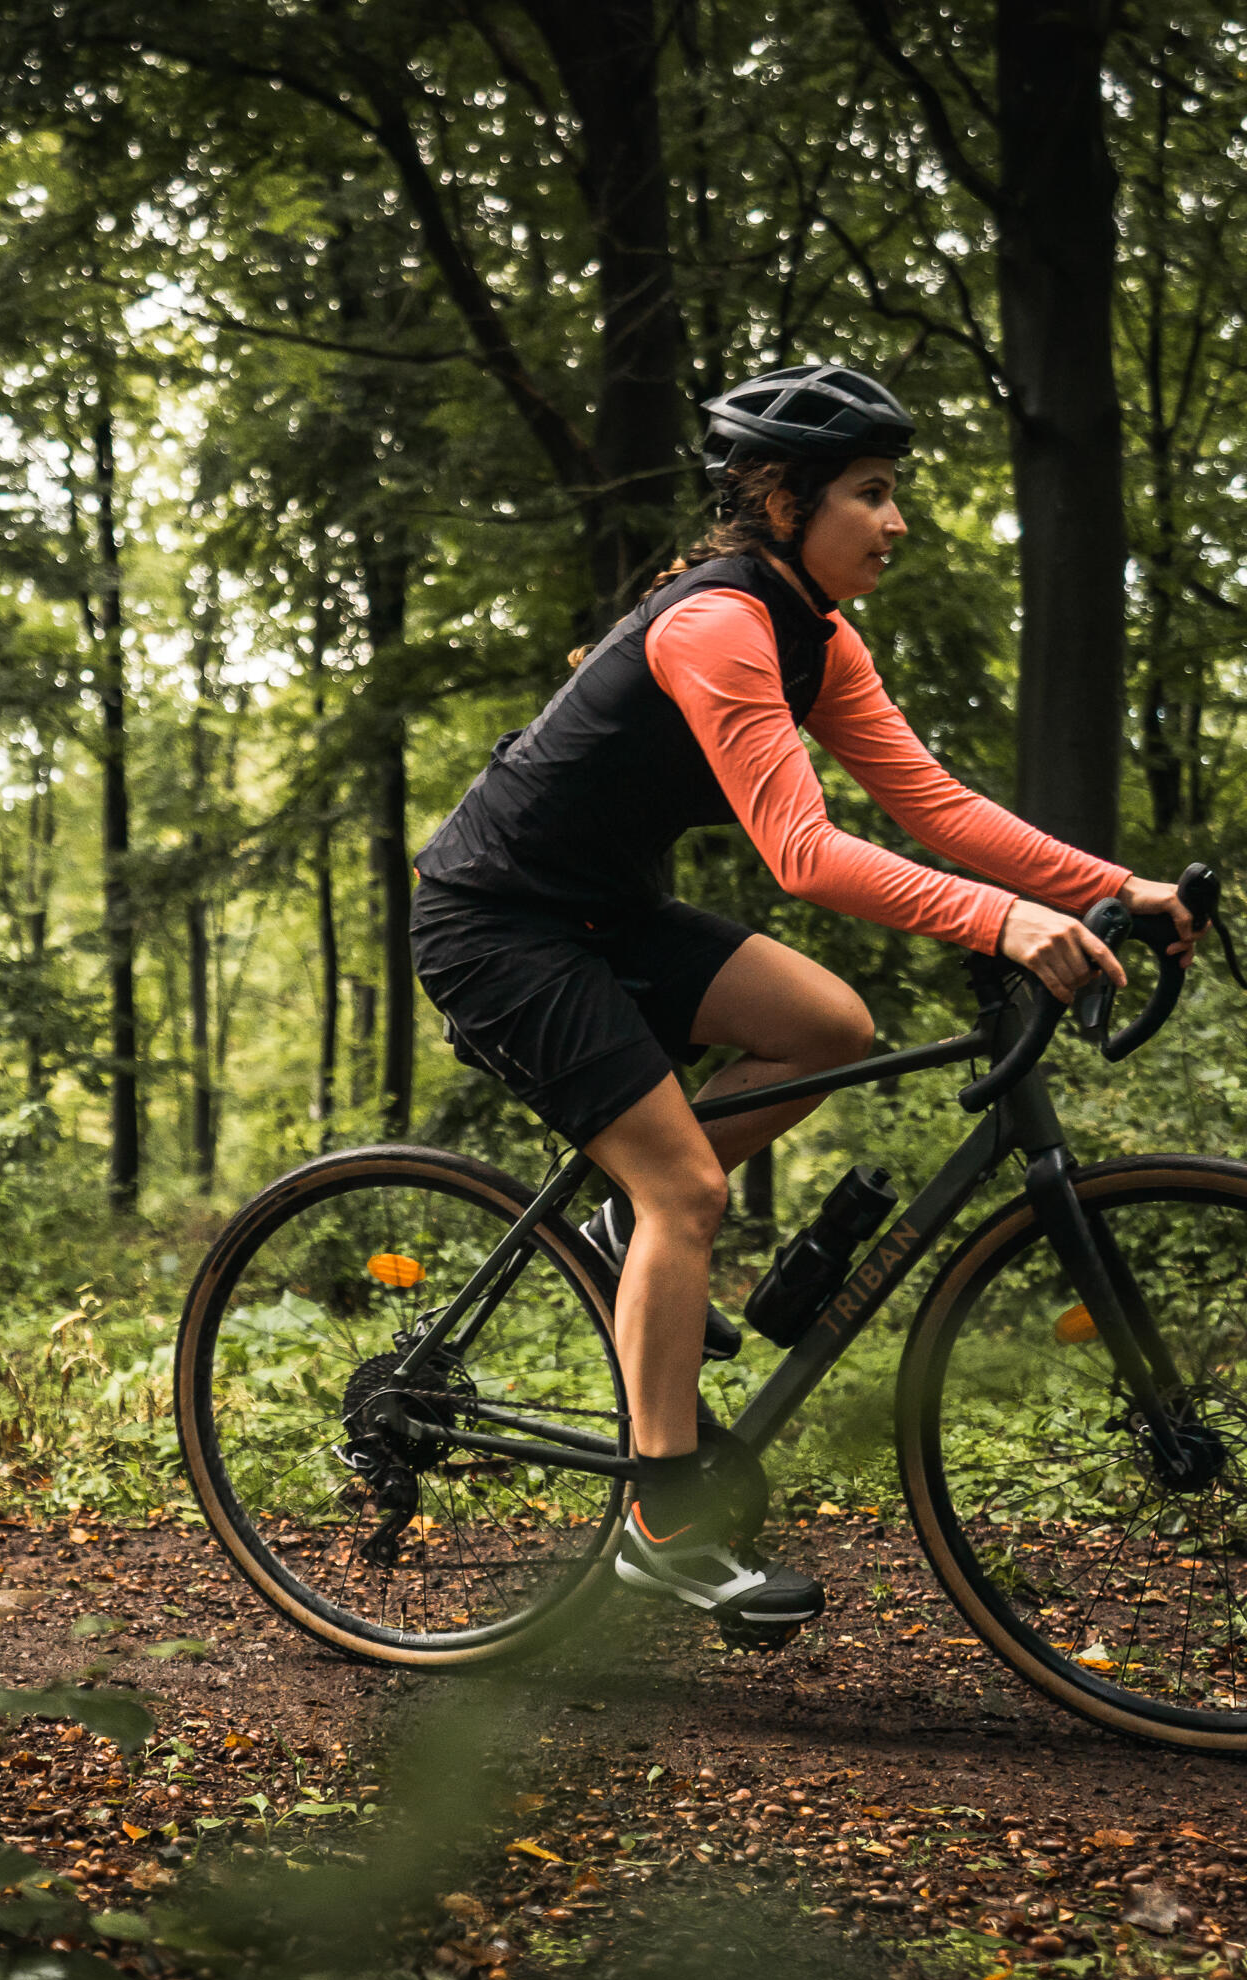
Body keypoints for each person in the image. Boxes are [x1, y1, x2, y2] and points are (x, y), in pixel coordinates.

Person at [408, 363, 1201, 1634]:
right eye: (871, 495)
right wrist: (1001, 918)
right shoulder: (714, 622)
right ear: (782, 497)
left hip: (601, 913)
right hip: (496, 923)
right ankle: (660, 1526)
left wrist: (1122, 887)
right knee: (688, 1188)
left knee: (828, 1025)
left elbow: (935, 807)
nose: (897, 522)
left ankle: (628, 1230)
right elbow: (803, 850)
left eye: (897, 494)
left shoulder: (815, 632)